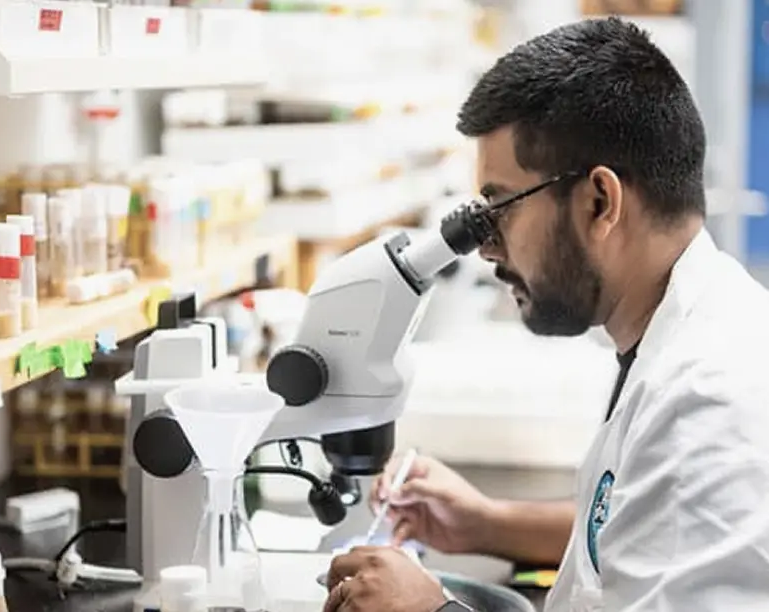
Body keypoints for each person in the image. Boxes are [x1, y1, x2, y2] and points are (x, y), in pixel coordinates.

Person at [324, 16, 769, 612]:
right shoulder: (680, 328)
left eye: (499, 208)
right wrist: (486, 523)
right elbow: (648, 531)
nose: (485, 246)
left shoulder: (705, 405)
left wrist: (436, 611)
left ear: (599, 201)